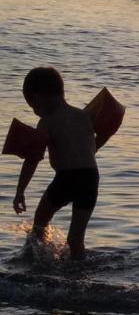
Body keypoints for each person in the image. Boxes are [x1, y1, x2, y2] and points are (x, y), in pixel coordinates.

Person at [12, 67, 102, 260]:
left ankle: (33, 259)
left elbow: (32, 159)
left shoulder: (47, 121)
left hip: (67, 178)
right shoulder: (84, 116)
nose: (35, 112)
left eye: (33, 107)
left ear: (37, 98)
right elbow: (92, 146)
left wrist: (20, 191)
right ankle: (80, 272)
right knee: (76, 240)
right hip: (90, 178)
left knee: (40, 221)